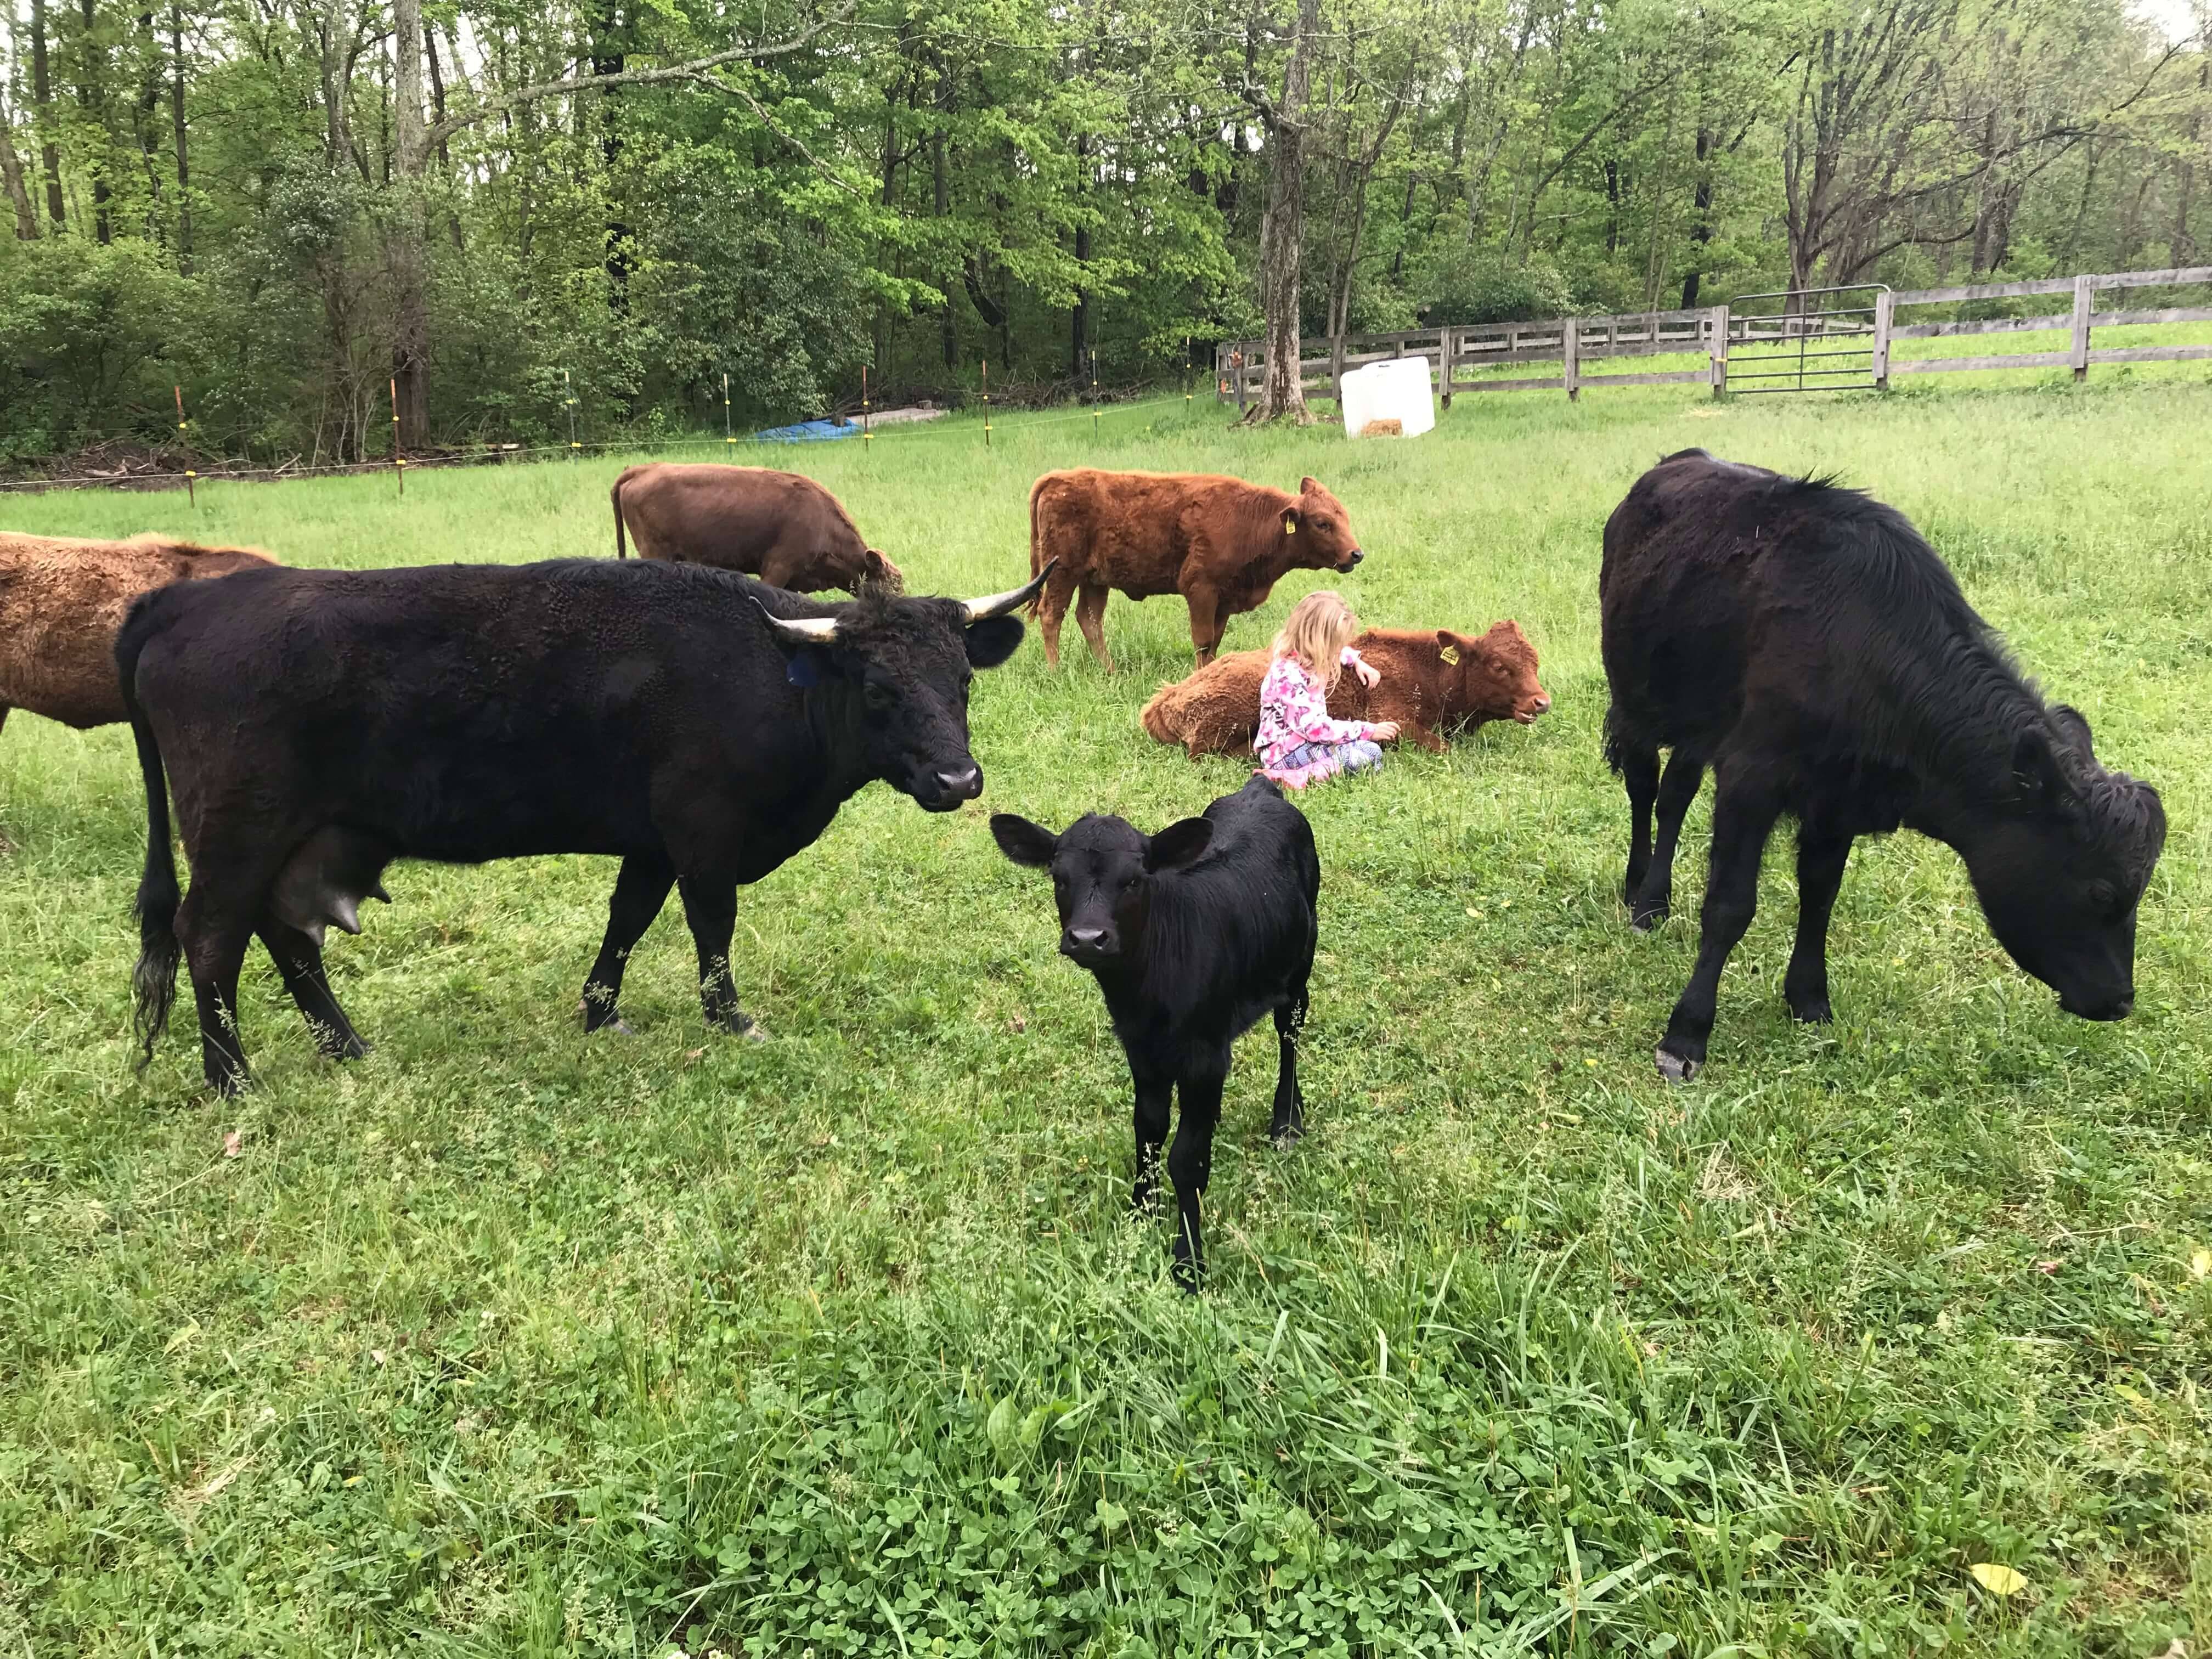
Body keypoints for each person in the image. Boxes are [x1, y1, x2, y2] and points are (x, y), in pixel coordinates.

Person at [1254, 590, 1399, 788]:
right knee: (1369, 753)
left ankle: (1314, 772)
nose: (1337, 650)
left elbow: (1338, 653)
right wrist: (1368, 730)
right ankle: (1288, 777)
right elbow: (1315, 729)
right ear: (1317, 640)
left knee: (1370, 752)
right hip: (1284, 754)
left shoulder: (1306, 656)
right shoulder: (1287, 677)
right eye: (1334, 644)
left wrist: (1356, 661)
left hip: (1303, 743)